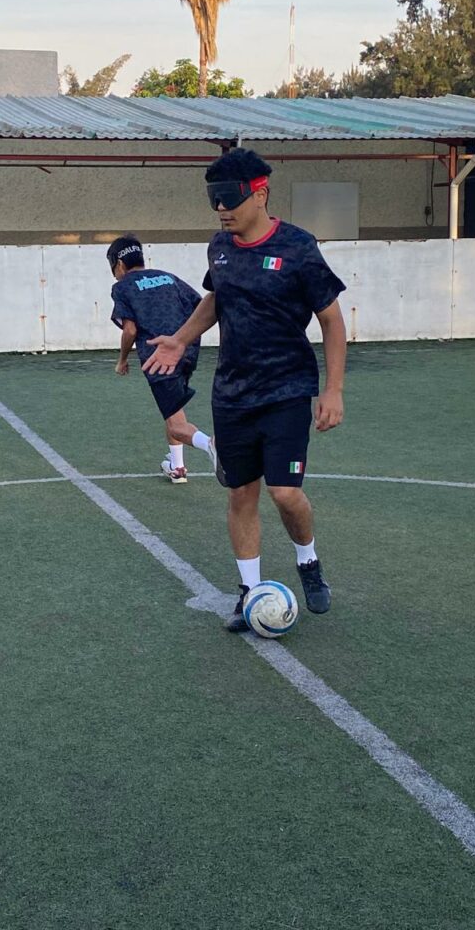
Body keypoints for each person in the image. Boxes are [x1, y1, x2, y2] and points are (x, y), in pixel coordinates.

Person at [143, 149, 347, 630]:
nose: (221, 209)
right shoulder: (220, 247)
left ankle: (308, 561)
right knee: (241, 494)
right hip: (232, 395)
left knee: (285, 492)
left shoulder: (299, 247)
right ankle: (250, 593)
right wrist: (180, 338)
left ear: (260, 193)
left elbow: (332, 321)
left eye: (230, 199)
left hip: (287, 391)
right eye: (215, 200)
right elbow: (216, 300)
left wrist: (333, 390)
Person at [108, 234, 224, 484]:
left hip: (159, 356)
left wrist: (122, 360)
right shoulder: (167, 276)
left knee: (175, 423)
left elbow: (130, 330)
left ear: (118, 265)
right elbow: (201, 304)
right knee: (172, 408)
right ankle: (177, 466)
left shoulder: (122, 287)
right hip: (187, 349)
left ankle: (212, 445)